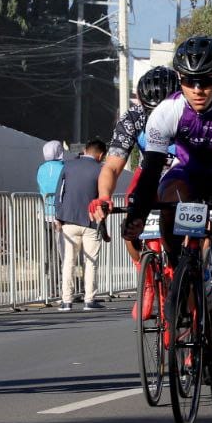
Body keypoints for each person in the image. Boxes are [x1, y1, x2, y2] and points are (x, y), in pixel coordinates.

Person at [123, 36, 212, 409]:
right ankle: (179, 265)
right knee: (169, 194)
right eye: (190, 81)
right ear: (179, 79)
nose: (198, 90)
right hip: (190, 174)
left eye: (206, 81)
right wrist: (137, 216)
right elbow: (151, 170)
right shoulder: (165, 112)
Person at [90, 66, 180, 319]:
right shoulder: (132, 118)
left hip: (181, 170)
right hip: (149, 171)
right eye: (152, 111)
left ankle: (195, 269)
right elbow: (112, 166)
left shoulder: (187, 112)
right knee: (130, 222)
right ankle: (147, 278)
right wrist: (104, 197)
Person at [58, 141, 109, 312]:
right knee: (91, 261)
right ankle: (89, 300)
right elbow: (103, 196)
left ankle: (66, 301)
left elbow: (59, 192)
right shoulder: (101, 169)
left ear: (85, 150)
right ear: (101, 155)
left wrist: (59, 216)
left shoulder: (68, 166)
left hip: (69, 219)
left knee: (68, 261)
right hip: (91, 220)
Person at [37, 140, 66, 297]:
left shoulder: (41, 169)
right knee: (59, 252)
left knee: (45, 252)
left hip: (42, 213)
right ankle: (56, 286)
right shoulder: (63, 168)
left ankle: (45, 287)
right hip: (58, 215)